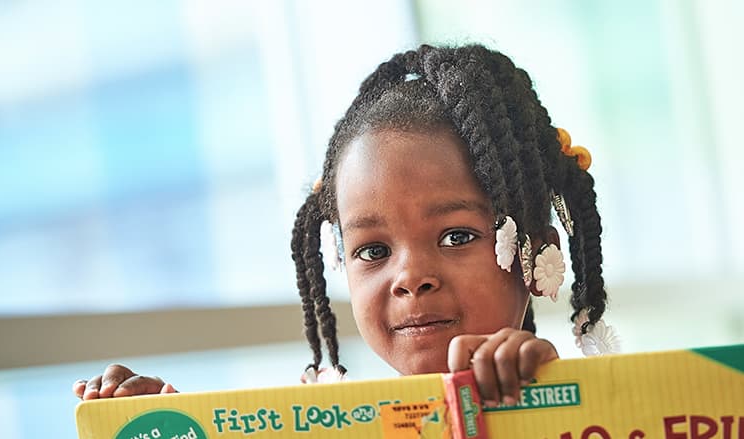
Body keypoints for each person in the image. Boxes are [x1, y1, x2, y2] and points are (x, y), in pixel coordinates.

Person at [73, 43, 614, 408]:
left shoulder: (597, 408)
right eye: (374, 251)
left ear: (536, 252)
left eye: (456, 236)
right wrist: (166, 428)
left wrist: (554, 397)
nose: (411, 277)